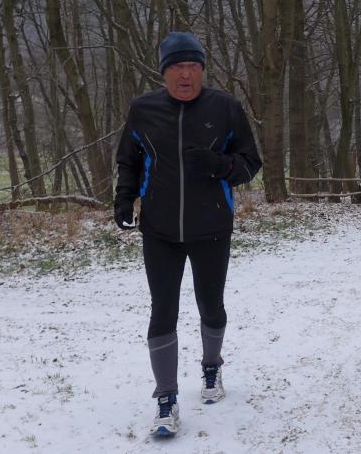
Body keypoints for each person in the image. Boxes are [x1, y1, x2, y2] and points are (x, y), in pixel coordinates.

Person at [114, 32, 262, 436]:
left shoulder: (225, 108)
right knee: (162, 309)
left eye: (193, 66)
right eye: (177, 67)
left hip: (211, 227)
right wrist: (124, 198)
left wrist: (218, 166)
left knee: (210, 306)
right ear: (164, 72)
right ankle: (166, 399)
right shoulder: (143, 110)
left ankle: (211, 367)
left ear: (202, 70)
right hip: (159, 229)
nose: (185, 74)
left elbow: (250, 163)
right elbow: (129, 160)